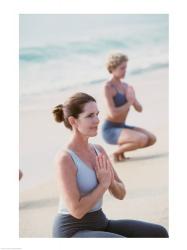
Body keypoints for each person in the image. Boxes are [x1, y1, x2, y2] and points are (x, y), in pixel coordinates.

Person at [52, 92, 168, 238]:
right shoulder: (65, 158)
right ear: (73, 121)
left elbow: (121, 194)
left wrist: (110, 182)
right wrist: (102, 185)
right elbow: (77, 211)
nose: (97, 120)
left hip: (100, 223)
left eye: (97, 114)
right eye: (90, 116)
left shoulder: (98, 150)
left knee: (158, 233)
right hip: (72, 231)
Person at [102, 52, 156, 161]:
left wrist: (133, 98)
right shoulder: (108, 87)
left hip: (122, 126)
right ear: (112, 68)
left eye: (125, 68)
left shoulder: (126, 86)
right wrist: (129, 102)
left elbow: (139, 109)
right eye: (122, 68)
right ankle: (112, 155)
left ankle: (119, 154)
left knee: (151, 139)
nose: (125, 71)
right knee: (142, 139)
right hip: (110, 130)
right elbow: (113, 113)